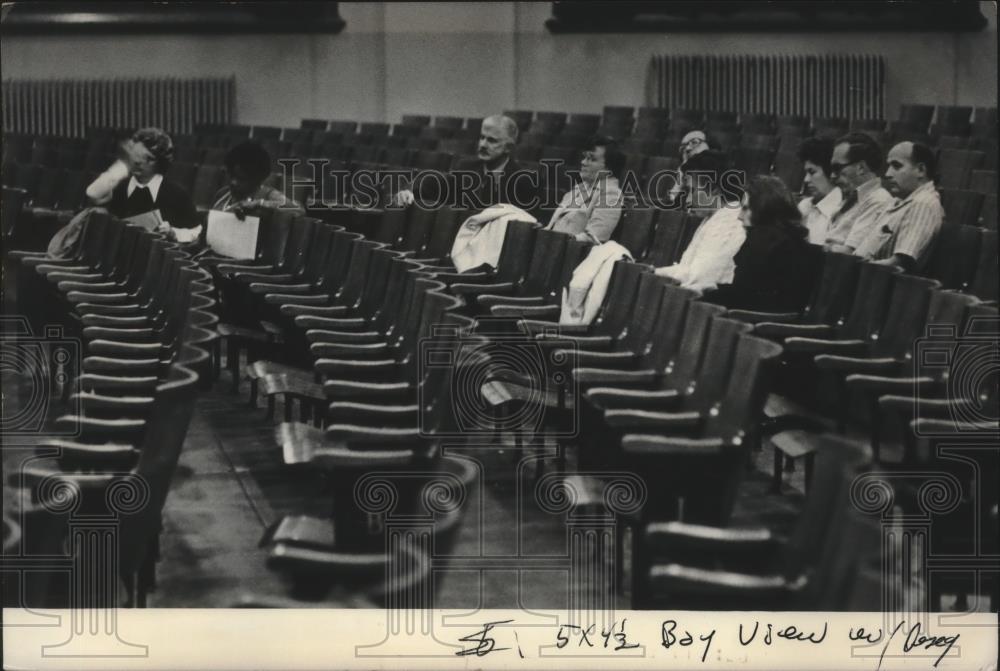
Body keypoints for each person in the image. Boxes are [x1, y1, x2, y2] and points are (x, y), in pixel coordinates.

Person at [704, 175, 818, 312]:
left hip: (756, 319)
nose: (739, 216)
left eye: (745, 209)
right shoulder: (788, 237)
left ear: (763, 208)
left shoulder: (764, 239)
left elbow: (743, 295)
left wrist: (707, 295)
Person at [393, 114, 535, 209]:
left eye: (492, 140)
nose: (483, 145)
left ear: (508, 147)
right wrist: (410, 193)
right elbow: (436, 185)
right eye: (482, 137)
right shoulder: (466, 167)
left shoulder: (523, 180)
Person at [654, 150, 745, 295]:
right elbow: (688, 269)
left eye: (693, 190)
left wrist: (655, 273)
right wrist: (655, 272)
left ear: (714, 190)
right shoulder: (716, 216)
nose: (688, 201)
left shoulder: (729, 222)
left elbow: (697, 277)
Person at [85, 127, 198, 241]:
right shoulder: (119, 186)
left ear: (160, 162)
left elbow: (196, 231)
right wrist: (123, 167)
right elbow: (92, 194)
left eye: (148, 158)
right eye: (135, 155)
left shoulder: (177, 194)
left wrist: (174, 233)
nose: (138, 162)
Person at [852, 141, 944, 272]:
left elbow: (900, 263)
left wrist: (858, 267)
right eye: (888, 166)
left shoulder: (923, 203)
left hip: (878, 281)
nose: (888, 173)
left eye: (896, 166)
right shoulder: (901, 200)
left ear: (921, 170)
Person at [824, 132, 894, 252]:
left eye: (837, 168)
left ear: (860, 168)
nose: (832, 176)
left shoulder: (878, 200)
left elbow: (848, 253)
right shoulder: (851, 198)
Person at [545, 136, 624, 243]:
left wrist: (562, 241)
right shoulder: (579, 188)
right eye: (585, 157)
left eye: (592, 159)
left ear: (609, 168)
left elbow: (595, 237)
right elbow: (554, 226)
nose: (583, 162)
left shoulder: (611, 194)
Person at [212, 140, 303, 216]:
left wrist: (259, 204)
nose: (233, 182)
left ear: (257, 179)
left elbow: (298, 210)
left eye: (241, 179)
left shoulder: (267, 194)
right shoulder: (223, 194)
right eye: (231, 176)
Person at [795, 137, 843, 244]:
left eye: (812, 172)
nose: (806, 180)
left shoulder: (842, 210)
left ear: (830, 172)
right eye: (806, 173)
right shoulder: (804, 206)